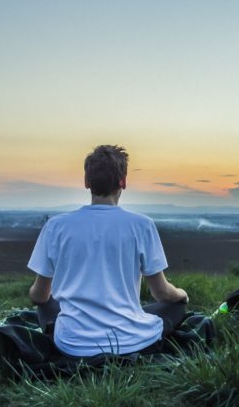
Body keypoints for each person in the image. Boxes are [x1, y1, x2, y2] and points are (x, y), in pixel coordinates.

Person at [27, 145, 188, 357]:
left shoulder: (56, 226)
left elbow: (39, 296)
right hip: (131, 341)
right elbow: (161, 293)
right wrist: (182, 294)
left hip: (72, 344)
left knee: (46, 303)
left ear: (87, 182)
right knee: (176, 306)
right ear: (123, 182)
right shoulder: (142, 225)